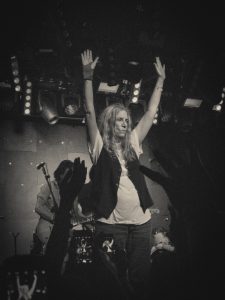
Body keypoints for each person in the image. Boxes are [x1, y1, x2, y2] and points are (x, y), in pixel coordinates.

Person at [81, 49, 166, 297]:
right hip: (111, 227)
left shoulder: (134, 144)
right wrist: (87, 76)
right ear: (110, 122)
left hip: (141, 224)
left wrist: (160, 81)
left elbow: (150, 113)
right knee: (111, 282)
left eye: (127, 120)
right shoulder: (99, 146)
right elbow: (88, 109)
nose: (126, 123)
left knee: (140, 282)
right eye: (120, 120)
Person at [34, 160, 82, 253]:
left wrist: (87, 218)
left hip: (63, 229)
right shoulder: (49, 186)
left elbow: (76, 213)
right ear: (60, 174)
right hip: (47, 228)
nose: (70, 177)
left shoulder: (72, 191)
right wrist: (54, 217)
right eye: (68, 174)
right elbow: (38, 207)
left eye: (72, 175)